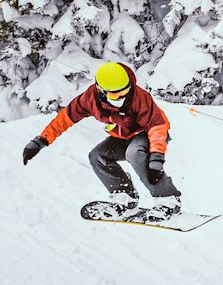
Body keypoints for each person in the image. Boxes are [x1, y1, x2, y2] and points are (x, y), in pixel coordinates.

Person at [23, 62, 182, 219]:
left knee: (134, 153)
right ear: (101, 90)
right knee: (98, 156)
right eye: (115, 94)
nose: (122, 96)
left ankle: (168, 200)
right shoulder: (90, 100)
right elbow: (65, 118)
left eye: (125, 91)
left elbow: (157, 125)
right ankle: (126, 197)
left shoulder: (138, 97)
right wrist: (40, 141)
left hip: (150, 134)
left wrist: (156, 158)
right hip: (123, 136)